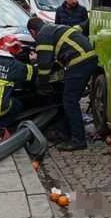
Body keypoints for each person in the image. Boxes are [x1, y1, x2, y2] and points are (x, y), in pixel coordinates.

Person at [27, 17, 97, 151]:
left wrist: (41, 84)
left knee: (70, 101)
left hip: (79, 62)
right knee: (69, 99)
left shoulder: (42, 35)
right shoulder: (52, 29)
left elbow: (44, 66)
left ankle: (79, 140)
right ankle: (64, 132)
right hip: (88, 59)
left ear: (32, 31)